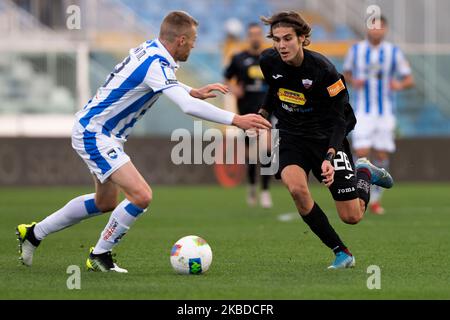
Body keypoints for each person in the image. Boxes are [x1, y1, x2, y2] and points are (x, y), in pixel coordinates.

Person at [16, 11, 271, 273]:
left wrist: (191, 90)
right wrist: (236, 119)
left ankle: (34, 233)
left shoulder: (151, 50)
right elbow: (185, 106)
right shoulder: (156, 61)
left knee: (105, 202)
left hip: (103, 131)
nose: (195, 45)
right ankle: (99, 254)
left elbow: (162, 82)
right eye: (193, 40)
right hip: (96, 133)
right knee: (141, 195)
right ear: (181, 40)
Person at [257, 11, 394, 269]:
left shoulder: (324, 71)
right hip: (291, 135)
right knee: (296, 188)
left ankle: (363, 172)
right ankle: (341, 252)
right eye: (276, 39)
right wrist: (263, 113)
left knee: (352, 216)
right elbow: (275, 89)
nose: (281, 45)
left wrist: (330, 156)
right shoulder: (268, 60)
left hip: (327, 137)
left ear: (302, 39)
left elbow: (340, 119)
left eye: (287, 38)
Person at [343, 16, 414, 215]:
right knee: (361, 152)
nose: (376, 31)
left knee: (382, 155)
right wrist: (353, 80)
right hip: (363, 111)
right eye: (373, 27)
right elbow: (346, 73)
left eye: (380, 28)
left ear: (385, 30)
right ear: (368, 29)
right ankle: (358, 194)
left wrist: (399, 84)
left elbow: (409, 79)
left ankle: (375, 199)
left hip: (385, 113)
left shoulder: (393, 52)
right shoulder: (356, 50)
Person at [224, 22, 273, 208]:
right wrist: (234, 88)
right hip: (246, 112)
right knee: (252, 154)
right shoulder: (239, 58)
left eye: (258, 33)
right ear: (248, 36)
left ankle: (266, 191)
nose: (255, 37)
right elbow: (227, 77)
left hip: (267, 109)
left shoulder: (270, 57)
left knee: (268, 150)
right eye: (252, 33)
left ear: (261, 36)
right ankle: (252, 186)